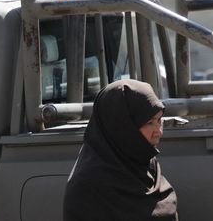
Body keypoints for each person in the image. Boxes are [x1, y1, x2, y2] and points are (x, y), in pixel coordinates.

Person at [63, 79, 177, 221]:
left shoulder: (146, 165)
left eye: (159, 121)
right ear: (122, 127)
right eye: (149, 123)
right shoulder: (88, 187)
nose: (158, 132)